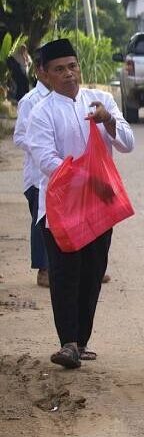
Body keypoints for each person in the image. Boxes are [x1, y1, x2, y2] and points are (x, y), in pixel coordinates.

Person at [26, 38, 135, 369]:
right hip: (61, 208)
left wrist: (108, 121)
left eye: (72, 66)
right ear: (45, 74)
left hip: (99, 207)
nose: (68, 74)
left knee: (92, 272)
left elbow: (128, 143)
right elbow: (45, 159)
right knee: (64, 274)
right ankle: (68, 342)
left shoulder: (100, 101)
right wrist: (85, 178)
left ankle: (81, 341)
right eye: (59, 69)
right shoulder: (41, 112)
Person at [13, 62, 52, 287]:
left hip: (62, 172)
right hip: (38, 176)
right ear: (40, 71)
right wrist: (43, 146)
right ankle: (43, 270)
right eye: (55, 68)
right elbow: (19, 137)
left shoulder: (66, 97)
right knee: (41, 223)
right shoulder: (30, 101)